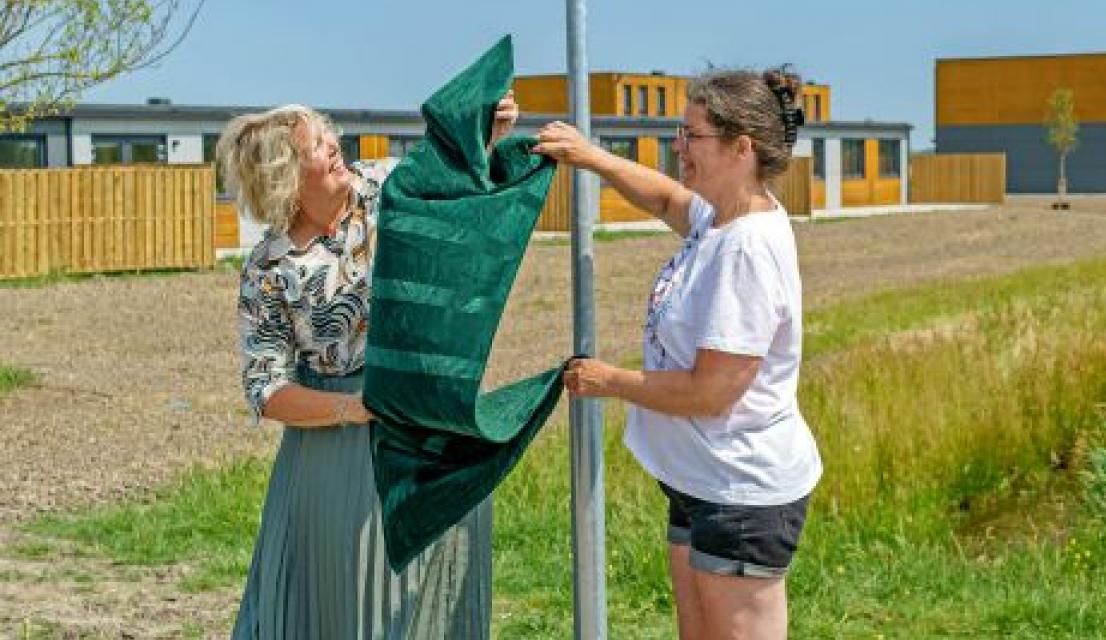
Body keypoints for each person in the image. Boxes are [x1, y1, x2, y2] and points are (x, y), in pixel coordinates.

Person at [535, 68, 820, 639]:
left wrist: (609, 380)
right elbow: (666, 197)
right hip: (702, 483)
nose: (679, 146)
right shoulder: (721, 217)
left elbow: (712, 392)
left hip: (741, 493)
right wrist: (591, 157)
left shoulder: (746, 250)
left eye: (693, 136)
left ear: (741, 148)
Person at [222, 93, 518, 638]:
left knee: (436, 590)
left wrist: (487, 129)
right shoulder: (271, 266)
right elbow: (265, 388)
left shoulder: (387, 186)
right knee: (354, 604)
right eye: (315, 146)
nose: (333, 147)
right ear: (285, 175)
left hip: (429, 425)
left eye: (327, 133)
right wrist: (354, 408)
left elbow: (451, 170)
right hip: (339, 455)